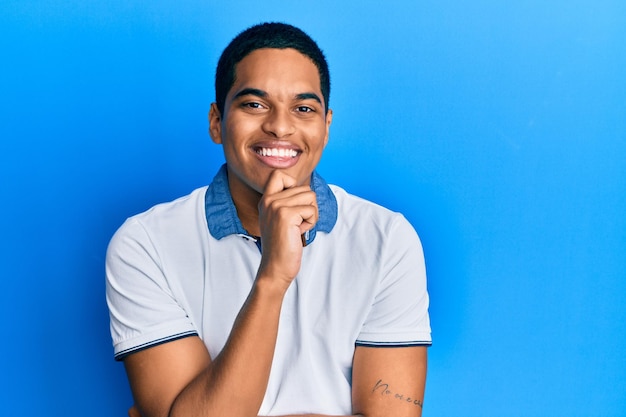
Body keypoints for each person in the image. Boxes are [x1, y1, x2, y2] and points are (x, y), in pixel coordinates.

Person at [106, 22, 431, 417]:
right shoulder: (145, 244)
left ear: (326, 127)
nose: (279, 126)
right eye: (254, 104)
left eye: (303, 108)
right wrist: (273, 277)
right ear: (215, 121)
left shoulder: (386, 239)